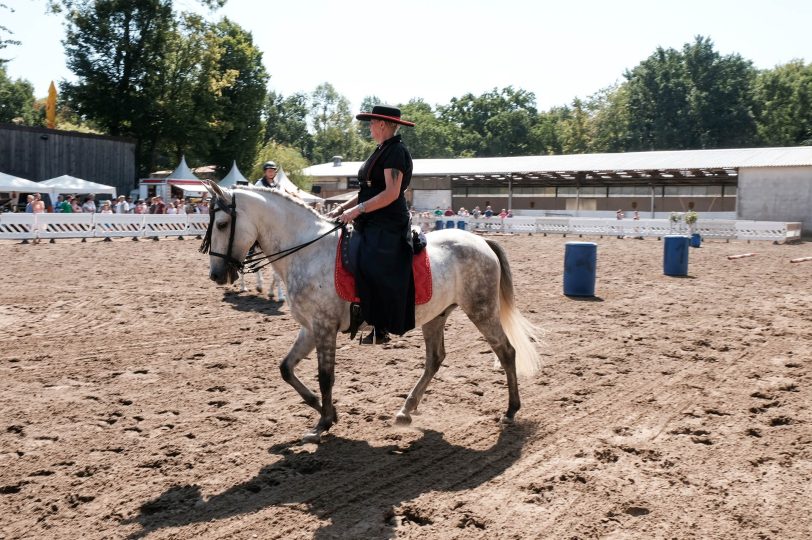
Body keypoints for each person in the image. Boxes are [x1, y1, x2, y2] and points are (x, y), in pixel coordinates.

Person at [331, 104, 416, 345]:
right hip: (371, 219)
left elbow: (390, 193)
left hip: (388, 224)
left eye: (371, 123)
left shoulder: (396, 152)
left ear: (382, 124)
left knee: (370, 260)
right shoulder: (381, 150)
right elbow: (367, 191)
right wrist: (342, 208)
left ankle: (380, 324)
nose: (369, 127)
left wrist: (357, 210)